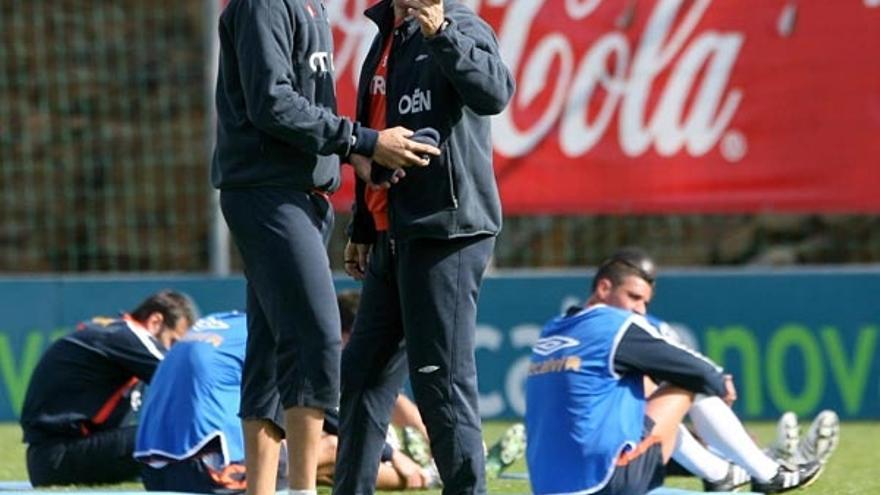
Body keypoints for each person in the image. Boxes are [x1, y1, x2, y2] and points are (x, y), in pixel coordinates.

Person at [212, 0, 441, 493]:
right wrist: (361, 140)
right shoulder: (265, 5)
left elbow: (307, 108)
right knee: (317, 336)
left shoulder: (311, 6)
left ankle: (262, 489)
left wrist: (354, 155)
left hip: (301, 192)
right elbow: (271, 103)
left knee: (272, 347)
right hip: (267, 191)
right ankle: (302, 488)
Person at [334, 0, 514, 493]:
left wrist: (442, 34)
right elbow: (377, 141)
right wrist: (364, 224)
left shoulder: (459, 22)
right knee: (362, 378)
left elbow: (494, 94)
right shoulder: (383, 36)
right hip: (393, 232)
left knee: (442, 384)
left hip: (447, 231)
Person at [524, 248, 825, 495]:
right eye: (634, 297)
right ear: (604, 288)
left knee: (639, 383)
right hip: (605, 481)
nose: (641, 309)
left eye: (644, 302)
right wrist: (719, 380)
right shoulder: (613, 326)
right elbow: (696, 370)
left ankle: (724, 473)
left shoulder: (552, 331)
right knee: (685, 381)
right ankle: (767, 473)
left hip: (554, 488)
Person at [133, 298, 439, 493]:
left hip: (155, 473)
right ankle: (424, 477)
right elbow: (321, 405)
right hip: (208, 474)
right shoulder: (281, 338)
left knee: (304, 454)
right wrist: (392, 454)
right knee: (331, 448)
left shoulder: (226, 323)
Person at [19, 290, 197, 487]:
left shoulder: (115, 336)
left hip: (54, 458)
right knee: (168, 432)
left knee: (166, 431)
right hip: (57, 456)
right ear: (155, 322)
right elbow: (185, 377)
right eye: (173, 342)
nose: (171, 351)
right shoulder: (127, 334)